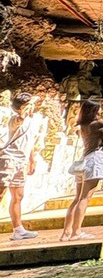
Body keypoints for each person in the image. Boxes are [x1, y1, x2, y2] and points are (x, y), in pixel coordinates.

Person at [61, 98, 103, 242]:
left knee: (77, 198)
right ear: (93, 111)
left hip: (83, 160)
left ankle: (66, 232)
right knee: (85, 198)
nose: (100, 111)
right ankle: (76, 232)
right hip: (94, 160)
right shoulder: (98, 123)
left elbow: (101, 130)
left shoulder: (84, 125)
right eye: (98, 109)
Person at [0, 92, 42, 240]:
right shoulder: (15, 119)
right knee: (1, 193)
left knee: (18, 195)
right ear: (22, 107)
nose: (33, 107)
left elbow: (29, 141)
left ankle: (18, 230)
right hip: (9, 160)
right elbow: (19, 120)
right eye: (29, 105)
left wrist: (32, 159)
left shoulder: (32, 120)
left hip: (21, 161)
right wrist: (23, 111)